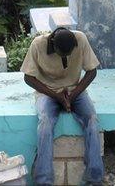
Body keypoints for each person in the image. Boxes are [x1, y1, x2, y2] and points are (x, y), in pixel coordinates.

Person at [20, 27, 104, 185]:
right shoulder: (38, 44)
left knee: (92, 120)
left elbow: (92, 72)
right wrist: (57, 97)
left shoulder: (80, 39)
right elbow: (28, 78)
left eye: (69, 53)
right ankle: (43, 181)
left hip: (75, 91)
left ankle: (95, 178)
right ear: (53, 44)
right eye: (62, 53)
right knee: (45, 123)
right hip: (47, 92)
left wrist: (72, 97)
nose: (66, 57)